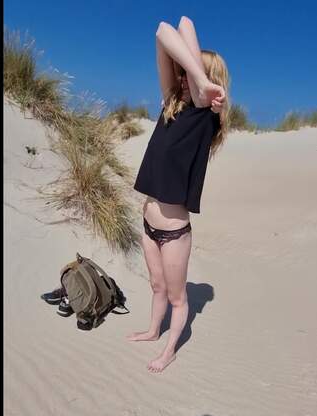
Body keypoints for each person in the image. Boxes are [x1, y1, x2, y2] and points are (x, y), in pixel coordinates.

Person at [126, 16, 231, 374]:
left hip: (173, 233)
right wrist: (194, 74)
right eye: (183, 71)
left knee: (176, 296)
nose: (183, 77)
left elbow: (201, 88)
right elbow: (166, 29)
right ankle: (153, 331)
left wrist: (202, 83)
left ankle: (169, 349)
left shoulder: (206, 117)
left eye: (192, 73)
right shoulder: (170, 104)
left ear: (210, 83)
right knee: (156, 286)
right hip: (148, 223)